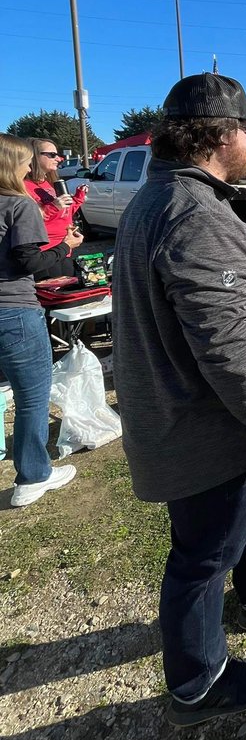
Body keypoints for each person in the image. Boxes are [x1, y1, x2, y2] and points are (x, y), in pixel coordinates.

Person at [112, 74, 246, 728]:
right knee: (199, 560)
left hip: (196, 421)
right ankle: (199, 682)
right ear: (222, 135)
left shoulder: (161, 197)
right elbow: (225, 344)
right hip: (203, 430)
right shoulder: (194, 215)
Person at [0, 134, 80, 507]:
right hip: (14, 309)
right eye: (25, 161)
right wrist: (65, 248)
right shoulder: (20, 204)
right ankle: (33, 476)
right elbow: (30, 262)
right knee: (31, 395)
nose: (29, 167)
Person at [24, 138, 88, 278]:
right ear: (34, 156)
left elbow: (63, 213)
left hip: (64, 248)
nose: (58, 159)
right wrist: (54, 206)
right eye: (51, 155)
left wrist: (78, 199)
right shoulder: (24, 186)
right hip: (45, 253)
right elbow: (29, 220)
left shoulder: (48, 184)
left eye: (58, 155)